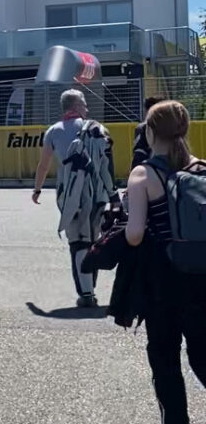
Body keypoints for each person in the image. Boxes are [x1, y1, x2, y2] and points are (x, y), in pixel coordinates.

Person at [125, 100, 206, 423]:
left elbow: (133, 235)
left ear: (150, 132)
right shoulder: (202, 168)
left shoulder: (143, 173)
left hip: (162, 283)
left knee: (165, 360)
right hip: (203, 278)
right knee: (202, 353)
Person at [33, 89, 119, 308]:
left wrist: (37, 189)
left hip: (69, 194)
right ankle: (90, 287)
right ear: (75, 107)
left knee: (77, 242)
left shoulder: (53, 131)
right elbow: (108, 166)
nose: (87, 108)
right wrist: (114, 196)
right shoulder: (98, 129)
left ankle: (86, 292)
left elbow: (43, 165)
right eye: (84, 104)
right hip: (97, 193)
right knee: (92, 238)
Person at [132, 96, 165, 170]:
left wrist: (135, 170)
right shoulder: (166, 127)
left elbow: (139, 151)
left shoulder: (144, 127)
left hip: (150, 168)